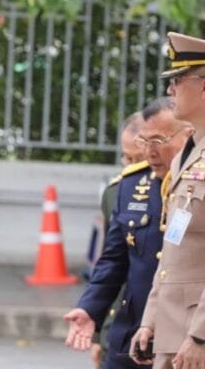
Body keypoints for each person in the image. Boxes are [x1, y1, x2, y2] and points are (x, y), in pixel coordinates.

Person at [64, 97, 191, 368]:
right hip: (131, 334)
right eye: (144, 142)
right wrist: (91, 308)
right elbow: (113, 259)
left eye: (158, 141)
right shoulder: (130, 186)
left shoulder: (197, 184)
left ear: (187, 135)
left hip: (185, 336)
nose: (150, 152)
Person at [130, 32, 205, 368]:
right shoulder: (186, 156)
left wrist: (201, 335)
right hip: (174, 330)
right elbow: (173, 247)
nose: (170, 90)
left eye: (177, 80)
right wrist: (150, 320)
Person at [86, 112, 145, 368]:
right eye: (126, 158)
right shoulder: (115, 193)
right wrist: (98, 332)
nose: (130, 166)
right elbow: (112, 264)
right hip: (121, 323)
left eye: (138, 159)